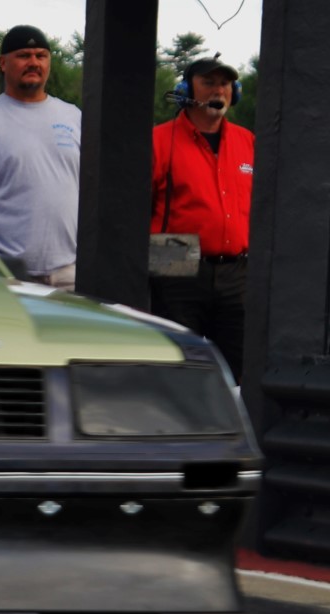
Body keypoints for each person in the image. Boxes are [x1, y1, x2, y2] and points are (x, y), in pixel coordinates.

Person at [149, 55, 254, 382]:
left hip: (235, 266)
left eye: (225, 84)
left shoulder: (247, 141)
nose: (218, 90)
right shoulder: (159, 139)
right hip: (174, 254)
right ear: (186, 90)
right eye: (208, 82)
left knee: (239, 365)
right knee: (179, 363)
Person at [0, 25, 82, 291]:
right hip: (7, 275)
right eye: (24, 55)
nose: (34, 62)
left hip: (70, 273)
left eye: (41, 56)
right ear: (3, 63)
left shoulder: (73, 117)